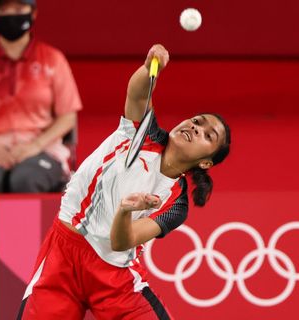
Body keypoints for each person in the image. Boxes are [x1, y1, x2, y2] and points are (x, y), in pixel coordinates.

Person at [17, 44, 231, 319]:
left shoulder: (176, 203)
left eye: (207, 135)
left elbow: (123, 241)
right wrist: (148, 68)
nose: (195, 127)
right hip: (63, 256)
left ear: (206, 162)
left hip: (113, 275)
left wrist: (125, 211)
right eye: (197, 121)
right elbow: (138, 93)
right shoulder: (143, 133)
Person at [0, 0, 82, 194]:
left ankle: (27, 226)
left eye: (18, 9)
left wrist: (35, 146)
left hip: (42, 149)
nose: (11, 15)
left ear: (33, 13)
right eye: (3, 9)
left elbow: (68, 117)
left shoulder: (53, 59)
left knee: (25, 180)